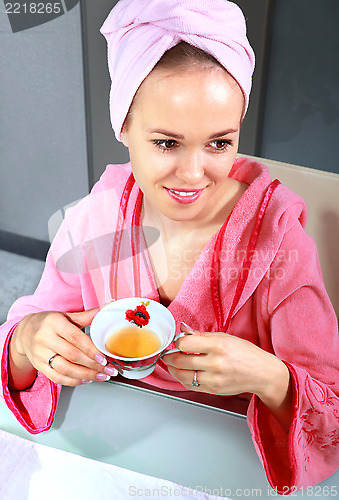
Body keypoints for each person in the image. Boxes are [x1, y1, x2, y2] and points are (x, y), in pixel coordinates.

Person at [0, 0, 338, 494]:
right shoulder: (99, 215)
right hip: (115, 438)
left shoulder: (278, 241)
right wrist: (31, 339)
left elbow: (330, 408)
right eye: (166, 143)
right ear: (125, 128)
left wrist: (269, 377)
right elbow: (25, 335)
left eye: (220, 143)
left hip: (231, 458)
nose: (194, 174)